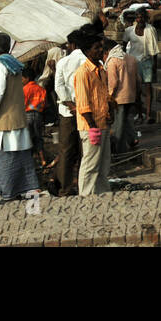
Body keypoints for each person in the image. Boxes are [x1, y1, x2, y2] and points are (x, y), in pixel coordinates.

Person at [0, 33, 40, 203]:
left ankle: (7, 194)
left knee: (3, 159)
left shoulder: (0, 65)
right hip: (17, 120)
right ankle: (20, 192)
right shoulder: (15, 65)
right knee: (21, 158)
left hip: (4, 122)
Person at [74, 36, 112, 196]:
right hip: (91, 126)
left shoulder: (101, 70)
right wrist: (93, 126)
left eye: (100, 47)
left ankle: (102, 193)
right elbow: (83, 104)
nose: (100, 51)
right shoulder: (83, 72)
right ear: (87, 51)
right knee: (90, 164)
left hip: (102, 123)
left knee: (103, 163)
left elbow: (103, 96)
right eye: (96, 48)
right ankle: (86, 196)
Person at [51, 31, 87, 197]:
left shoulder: (64, 62)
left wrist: (70, 104)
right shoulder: (89, 61)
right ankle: (83, 186)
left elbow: (59, 87)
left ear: (71, 45)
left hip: (67, 112)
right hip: (86, 111)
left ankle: (65, 189)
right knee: (84, 151)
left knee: (66, 151)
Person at [103, 39, 139, 154]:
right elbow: (138, 79)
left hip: (119, 98)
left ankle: (118, 149)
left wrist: (109, 97)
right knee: (128, 120)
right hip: (131, 95)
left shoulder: (113, 61)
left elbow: (113, 83)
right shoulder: (131, 58)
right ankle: (133, 139)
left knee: (118, 125)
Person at [123, 12, 160, 120]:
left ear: (145, 19)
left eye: (142, 17)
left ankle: (148, 114)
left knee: (148, 88)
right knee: (136, 90)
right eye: (138, 17)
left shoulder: (151, 30)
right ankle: (139, 114)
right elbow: (124, 46)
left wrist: (155, 65)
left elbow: (155, 48)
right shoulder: (129, 30)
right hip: (134, 61)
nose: (140, 19)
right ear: (136, 19)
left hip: (147, 60)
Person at [22, 68, 51, 170]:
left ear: (27, 78)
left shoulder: (24, 89)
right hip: (38, 115)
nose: (21, 80)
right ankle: (43, 160)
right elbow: (46, 104)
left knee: (28, 138)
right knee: (38, 138)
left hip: (27, 115)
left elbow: (21, 104)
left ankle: (29, 161)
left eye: (22, 78)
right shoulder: (41, 89)